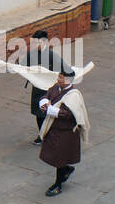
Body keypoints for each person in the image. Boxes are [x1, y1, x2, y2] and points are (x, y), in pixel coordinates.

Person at [38, 65, 90, 196]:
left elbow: (70, 114)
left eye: (60, 77)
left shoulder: (74, 96)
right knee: (54, 157)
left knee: (59, 159)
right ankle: (67, 169)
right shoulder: (56, 88)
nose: (58, 79)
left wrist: (51, 110)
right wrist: (43, 102)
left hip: (65, 133)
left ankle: (58, 185)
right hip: (53, 130)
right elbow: (47, 95)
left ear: (67, 80)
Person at [24, 30, 71, 145]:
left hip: (49, 89)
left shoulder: (52, 56)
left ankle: (49, 135)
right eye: (34, 43)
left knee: (48, 112)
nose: (36, 45)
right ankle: (41, 135)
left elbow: (65, 68)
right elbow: (23, 66)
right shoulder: (31, 55)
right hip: (37, 87)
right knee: (38, 113)